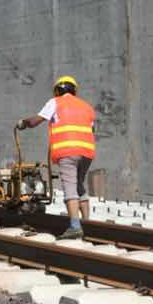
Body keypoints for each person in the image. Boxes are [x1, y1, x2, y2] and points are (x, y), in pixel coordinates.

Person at [18, 75, 96, 240]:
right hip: (87, 152)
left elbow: (36, 121)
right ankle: (87, 223)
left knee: (70, 187)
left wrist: (23, 123)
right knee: (79, 186)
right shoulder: (86, 106)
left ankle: (75, 227)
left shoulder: (56, 102)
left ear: (57, 90)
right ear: (74, 90)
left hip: (67, 151)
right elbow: (91, 130)